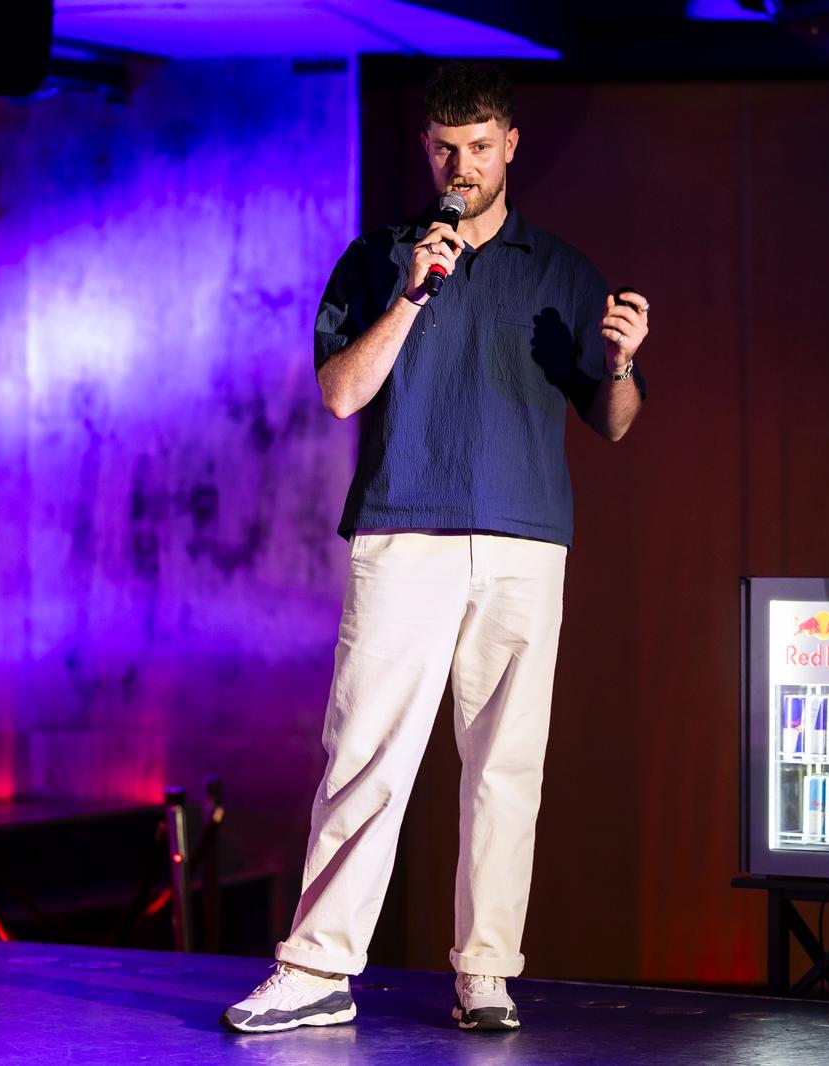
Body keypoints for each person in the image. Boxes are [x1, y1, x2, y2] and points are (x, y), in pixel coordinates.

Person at [222, 61, 648, 1034]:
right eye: (447, 148)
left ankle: (486, 973)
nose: (463, 165)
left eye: (482, 147)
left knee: (507, 763)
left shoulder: (564, 271)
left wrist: (620, 362)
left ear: (511, 147)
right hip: (403, 529)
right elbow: (339, 394)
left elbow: (613, 420)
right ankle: (318, 968)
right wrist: (414, 293)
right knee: (366, 752)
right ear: (428, 149)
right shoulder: (378, 258)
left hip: (526, 540)